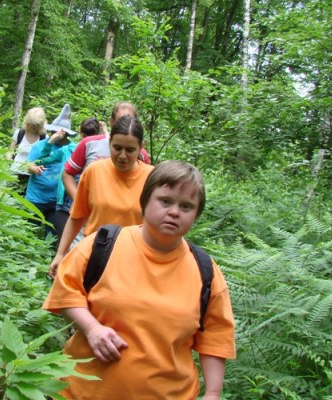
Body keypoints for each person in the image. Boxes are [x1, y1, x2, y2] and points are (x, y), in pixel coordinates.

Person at [43, 160, 236, 399]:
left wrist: (213, 393)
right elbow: (65, 291)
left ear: (196, 215)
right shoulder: (102, 245)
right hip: (83, 391)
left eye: (186, 206)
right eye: (165, 201)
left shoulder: (205, 270)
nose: (174, 211)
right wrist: (92, 329)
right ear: (145, 201)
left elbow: (216, 336)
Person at [49, 115, 154, 278]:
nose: (122, 156)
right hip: (94, 256)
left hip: (133, 261)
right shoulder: (94, 171)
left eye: (130, 150)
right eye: (117, 148)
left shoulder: (152, 178)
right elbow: (77, 216)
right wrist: (61, 253)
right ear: (109, 142)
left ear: (141, 147)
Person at [61, 101, 150, 202]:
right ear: (111, 121)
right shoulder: (89, 144)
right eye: (120, 121)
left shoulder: (142, 154)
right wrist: (80, 202)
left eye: (130, 150)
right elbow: (67, 174)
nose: (124, 126)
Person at [33, 117, 101, 247]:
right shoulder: (68, 150)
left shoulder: (99, 154)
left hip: (85, 203)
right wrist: (50, 142)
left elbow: (41, 160)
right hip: (68, 203)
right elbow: (40, 161)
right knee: (67, 242)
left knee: (78, 242)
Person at [25, 105, 76, 243]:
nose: (56, 134)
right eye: (54, 131)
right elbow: (29, 164)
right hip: (36, 198)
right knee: (29, 232)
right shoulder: (40, 145)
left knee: (52, 236)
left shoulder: (72, 148)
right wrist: (34, 169)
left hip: (57, 200)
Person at [8, 107, 47, 195]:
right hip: (14, 173)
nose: (33, 126)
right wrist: (8, 159)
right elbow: (11, 150)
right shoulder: (19, 133)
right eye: (31, 124)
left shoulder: (44, 137)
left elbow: (45, 158)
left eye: (35, 125)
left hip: (32, 176)